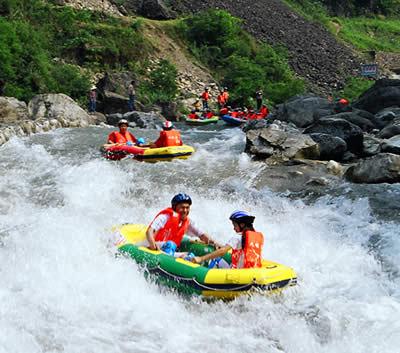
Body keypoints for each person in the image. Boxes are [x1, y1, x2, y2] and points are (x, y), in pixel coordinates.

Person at [192, 211, 264, 269]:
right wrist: (216, 244)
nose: (234, 228)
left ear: (242, 225)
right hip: (251, 272)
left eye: (235, 225)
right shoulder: (254, 236)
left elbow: (222, 252)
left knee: (215, 259)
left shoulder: (237, 237)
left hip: (238, 274)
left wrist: (201, 258)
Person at [146, 193, 218, 252]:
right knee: (170, 244)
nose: (185, 210)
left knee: (189, 256)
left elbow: (202, 235)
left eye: (187, 208)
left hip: (171, 250)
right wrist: (153, 246)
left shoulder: (188, 222)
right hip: (157, 246)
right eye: (182, 207)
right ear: (175, 207)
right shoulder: (165, 217)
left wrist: (215, 243)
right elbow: (149, 231)